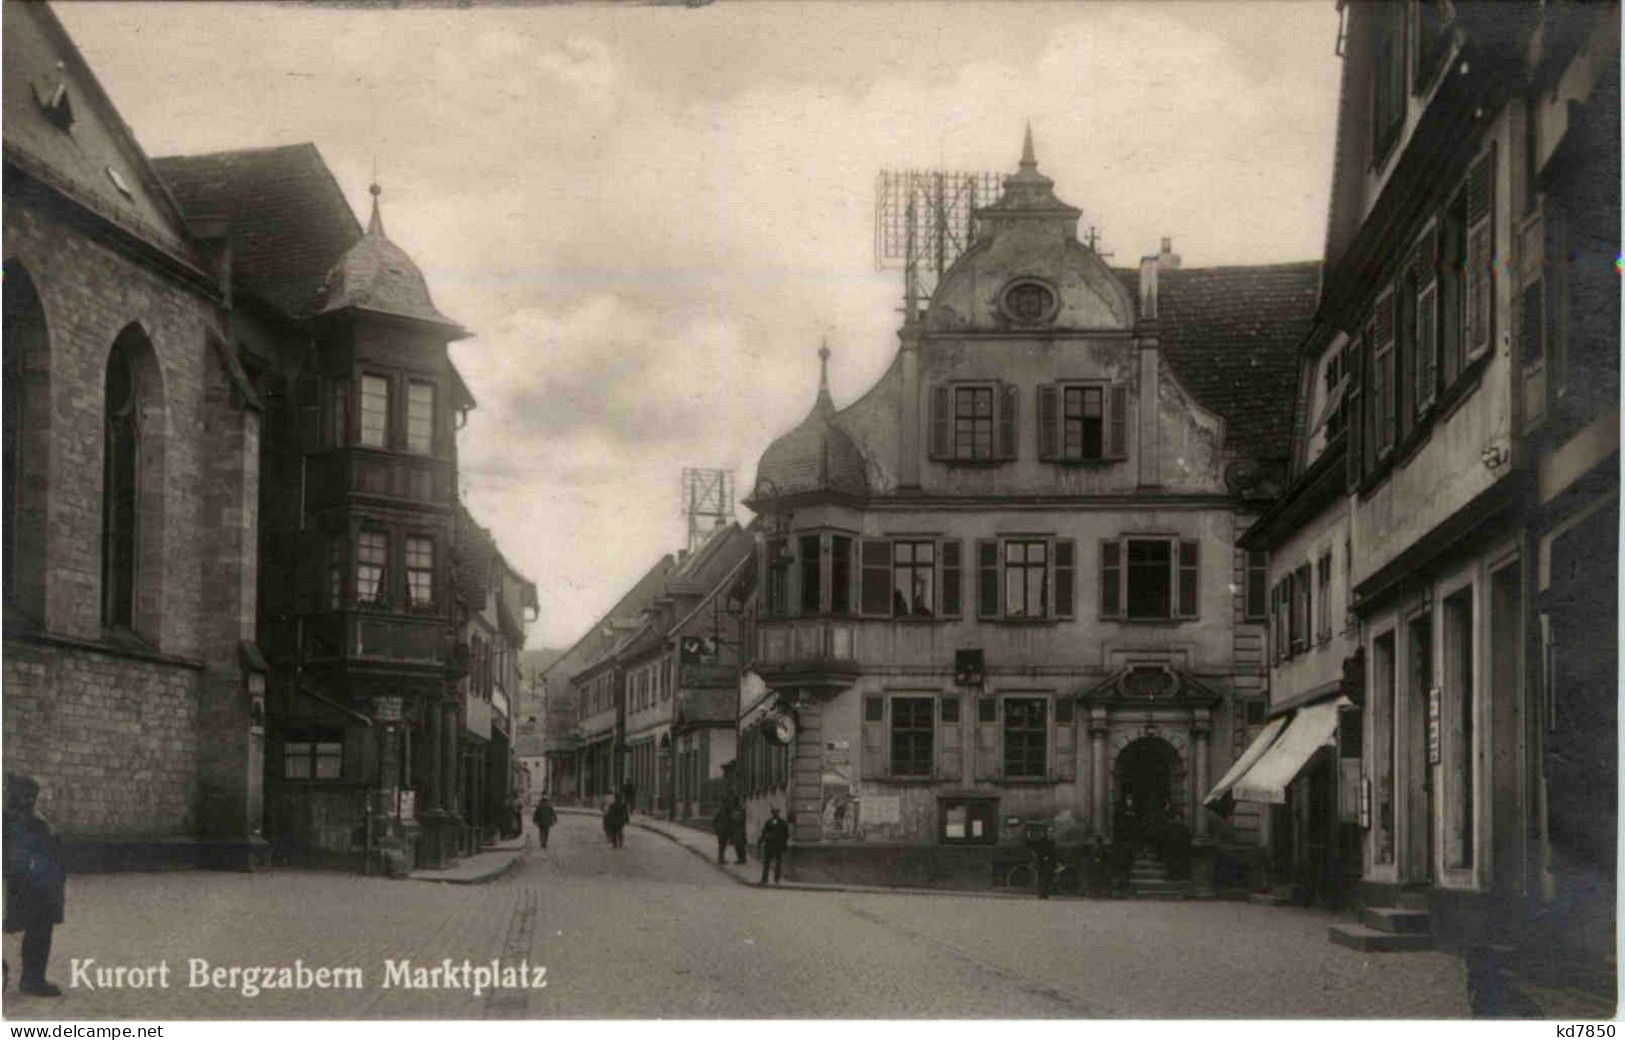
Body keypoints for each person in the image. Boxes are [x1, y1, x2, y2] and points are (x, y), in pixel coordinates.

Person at [4, 775, 65, 996]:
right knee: (38, 931)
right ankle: (33, 980)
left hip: (35, 884)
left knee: (36, 931)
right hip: (35, 885)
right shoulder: (25, 822)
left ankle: (32, 979)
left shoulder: (18, 819)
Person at [757, 807, 790, 885]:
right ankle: (765, 879)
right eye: (774, 812)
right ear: (772, 813)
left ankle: (776, 879)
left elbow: (786, 835)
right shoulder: (769, 822)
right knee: (767, 863)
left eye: (777, 812)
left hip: (777, 846)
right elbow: (764, 832)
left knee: (778, 863)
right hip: (770, 845)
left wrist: (784, 845)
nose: (776, 814)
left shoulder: (782, 823)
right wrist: (761, 840)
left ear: (779, 813)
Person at [1028, 824, 1059, 900]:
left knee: (1049, 878)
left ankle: (1046, 893)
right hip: (1044, 862)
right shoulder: (1043, 840)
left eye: (1052, 831)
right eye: (1049, 831)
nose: (1051, 833)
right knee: (1043, 878)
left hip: (1051, 862)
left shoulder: (1052, 841)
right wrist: (1043, 858)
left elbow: (1054, 852)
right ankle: (1041, 894)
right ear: (1047, 832)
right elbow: (1040, 851)